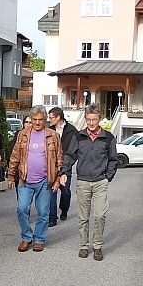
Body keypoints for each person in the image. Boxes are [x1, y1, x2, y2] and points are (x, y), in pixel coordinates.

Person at [60, 103, 118, 261]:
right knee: (83, 217)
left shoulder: (108, 137)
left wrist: (108, 176)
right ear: (85, 119)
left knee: (100, 215)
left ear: (99, 119)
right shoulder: (79, 137)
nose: (91, 123)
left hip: (100, 181)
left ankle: (97, 246)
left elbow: (113, 159)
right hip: (83, 182)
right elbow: (70, 156)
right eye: (88, 120)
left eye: (94, 119)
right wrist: (64, 171)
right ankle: (84, 245)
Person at [7, 105, 63, 252]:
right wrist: (11, 175)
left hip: (45, 181)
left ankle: (39, 239)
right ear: (30, 119)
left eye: (40, 120)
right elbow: (15, 156)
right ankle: (26, 237)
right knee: (22, 208)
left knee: (43, 212)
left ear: (44, 120)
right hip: (25, 180)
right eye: (34, 120)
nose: (37, 123)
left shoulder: (53, 135)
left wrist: (57, 179)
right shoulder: (23, 135)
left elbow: (59, 159)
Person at [48, 107, 78, 227]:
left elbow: (74, 150)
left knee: (65, 192)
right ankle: (52, 217)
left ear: (58, 117)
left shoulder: (72, 131)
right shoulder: (49, 130)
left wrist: (67, 165)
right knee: (52, 192)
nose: (49, 120)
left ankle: (64, 209)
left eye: (51, 117)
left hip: (66, 167)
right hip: (51, 166)